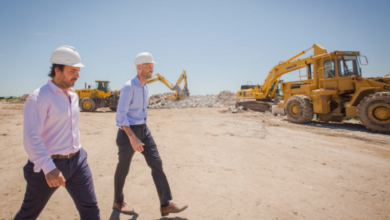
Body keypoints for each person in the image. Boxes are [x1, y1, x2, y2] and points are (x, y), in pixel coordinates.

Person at [14, 46, 100, 220]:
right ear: (57, 70)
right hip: (47, 165)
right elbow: (31, 138)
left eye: (78, 71)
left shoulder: (74, 95)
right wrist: (48, 168)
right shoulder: (39, 97)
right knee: (28, 215)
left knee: (90, 209)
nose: (77, 75)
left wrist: (79, 154)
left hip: (77, 162)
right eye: (72, 71)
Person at [113, 52, 188, 216]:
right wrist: (132, 137)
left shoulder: (145, 86)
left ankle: (165, 204)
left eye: (152, 67)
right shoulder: (129, 87)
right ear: (139, 68)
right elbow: (120, 116)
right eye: (148, 67)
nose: (151, 70)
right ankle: (118, 202)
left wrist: (142, 131)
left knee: (157, 163)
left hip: (144, 130)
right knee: (123, 168)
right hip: (128, 133)